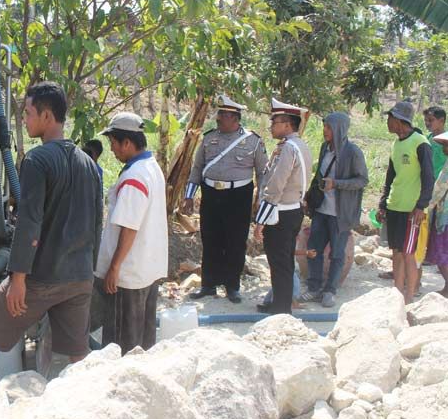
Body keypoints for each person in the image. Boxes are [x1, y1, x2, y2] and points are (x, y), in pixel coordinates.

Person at [0, 81, 103, 363]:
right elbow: (96, 224)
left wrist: (18, 279)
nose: (23, 119)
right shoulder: (89, 164)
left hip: (42, 278)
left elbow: (29, 222)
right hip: (80, 278)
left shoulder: (37, 160)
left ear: (47, 117)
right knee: (78, 355)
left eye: (27, 112)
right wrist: (88, 273)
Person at [92, 112, 168, 355]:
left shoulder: (135, 176)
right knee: (142, 337)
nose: (112, 150)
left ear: (127, 143)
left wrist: (114, 268)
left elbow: (129, 226)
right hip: (147, 268)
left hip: (128, 274)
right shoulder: (151, 167)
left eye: (113, 143)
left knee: (120, 341)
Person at [183, 94, 267, 303]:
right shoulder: (209, 138)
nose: (218, 118)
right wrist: (189, 196)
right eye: (219, 113)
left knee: (235, 240)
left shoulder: (253, 141)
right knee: (210, 238)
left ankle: (232, 286)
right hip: (211, 194)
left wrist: (260, 199)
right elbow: (197, 168)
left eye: (222, 114)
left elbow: (262, 173)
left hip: (238, 196)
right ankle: (208, 284)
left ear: (234, 117)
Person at [299, 112, 368, 308]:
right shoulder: (324, 148)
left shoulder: (353, 152)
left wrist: (336, 184)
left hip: (341, 213)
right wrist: (309, 196)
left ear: (339, 129)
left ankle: (330, 290)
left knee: (337, 254)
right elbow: (319, 175)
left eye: (329, 127)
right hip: (321, 210)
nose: (325, 131)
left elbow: (362, 180)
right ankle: (313, 288)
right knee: (313, 249)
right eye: (324, 127)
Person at [254, 98, 312, 315]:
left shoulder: (288, 148)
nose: (271, 126)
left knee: (279, 262)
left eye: (275, 121)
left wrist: (261, 220)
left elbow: (276, 186)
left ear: (287, 124)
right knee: (284, 260)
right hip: (292, 209)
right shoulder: (299, 146)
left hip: (281, 212)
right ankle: (280, 303)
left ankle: (280, 309)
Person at [377, 101, 434, 303]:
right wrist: (383, 203)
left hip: (412, 209)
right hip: (395, 205)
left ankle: (409, 297)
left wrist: (421, 205)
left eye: (389, 118)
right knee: (397, 251)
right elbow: (390, 177)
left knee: (409, 253)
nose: (387, 122)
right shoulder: (396, 144)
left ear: (399, 120)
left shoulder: (420, 143)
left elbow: (429, 178)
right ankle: (397, 294)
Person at [425, 131, 448, 298]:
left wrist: (426, 207)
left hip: (444, 217)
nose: (444, 149)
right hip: (443, 214)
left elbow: (438, 190)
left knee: (441, 253)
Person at [423, 106, 447, 181]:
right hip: (427, 182)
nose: (427, 123)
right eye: (425, 120)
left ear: (441, 121)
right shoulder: (426, 138)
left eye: (431, 120)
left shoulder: (446, 140)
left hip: (442, 184)